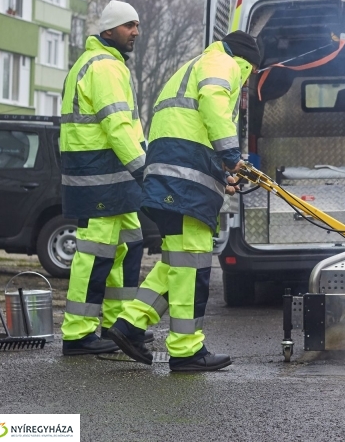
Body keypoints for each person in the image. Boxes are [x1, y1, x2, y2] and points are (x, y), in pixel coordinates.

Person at [108, 31, 261, 372]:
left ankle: (130, 324)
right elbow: (213, 101)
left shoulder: (196, 65)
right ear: (248, 63)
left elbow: (191, 127)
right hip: (183, 179)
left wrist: (224, 173)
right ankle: (187, 351)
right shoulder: (224, 63)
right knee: (192, 265)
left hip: (172, 176)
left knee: (179, 262)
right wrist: (231, 155)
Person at [60, 0, 153, 355]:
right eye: (129, 25)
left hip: (110, 177)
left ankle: (120, 327)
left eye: (137, 25)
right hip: (100, 176)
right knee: (96, 254)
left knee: (127, 246)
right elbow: (116, 125)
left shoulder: (103, 64)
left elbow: (124, 125)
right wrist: (143, 168)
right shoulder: (104, 67)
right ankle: (78, 334)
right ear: (109, 30)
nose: (135, 32)